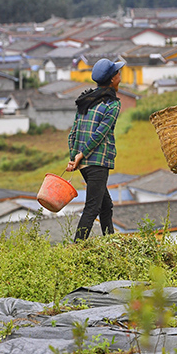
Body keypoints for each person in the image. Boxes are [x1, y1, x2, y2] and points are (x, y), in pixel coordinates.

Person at [67, 58, 124, 241]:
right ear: (113, 79)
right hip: (97, 162)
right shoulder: (112, 104)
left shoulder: (86, 99)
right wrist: (81, 155)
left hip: (84, 163)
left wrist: (74, 157)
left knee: (106, 205)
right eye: (118, 73)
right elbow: (100, 134)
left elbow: (73, 133)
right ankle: (76, 247)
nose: (120, 75)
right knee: (92, 207)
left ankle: (110, 240)